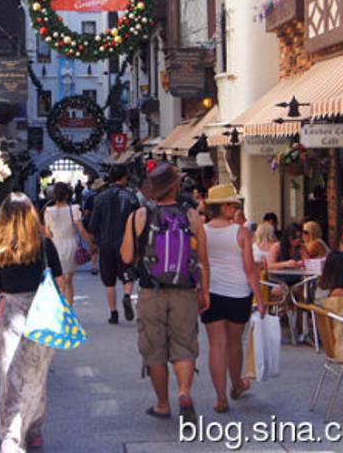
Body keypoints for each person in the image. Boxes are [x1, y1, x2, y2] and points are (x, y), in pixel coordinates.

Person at [120, 163, 210, 422]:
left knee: (154, 349)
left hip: (151, 292)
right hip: (185, 291)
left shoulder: (139, 215)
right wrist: (205, 291)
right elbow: (203, 259)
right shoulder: (191, 215)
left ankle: (162, 404)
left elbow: (126, 256)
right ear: (176, 186)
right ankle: (184, 393)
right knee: (184, 345)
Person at [0, 192, 63, 451]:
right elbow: (59, 281)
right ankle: (32, 429)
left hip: (11, 317)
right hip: (41, 317)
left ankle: (11, 437)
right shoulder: (44, 245)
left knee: (10, 380)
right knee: (36, 379)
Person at [201, 185, 265, 413]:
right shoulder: (241, 232)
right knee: (235, 343)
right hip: (238, 293)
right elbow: (249, 269)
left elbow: (201, 263)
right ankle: (236, 385)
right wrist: (260, 298)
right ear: (224, 207)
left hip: (211, 291)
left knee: (216, 345)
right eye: (233, 205)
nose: (236, 208)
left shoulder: (202, 231)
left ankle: (220, 398)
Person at [89, 164, 139, 324]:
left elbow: (93, 224)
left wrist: (94, 241)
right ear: (124, 177)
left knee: (109, 281)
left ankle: (113, 313)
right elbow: (138, 220)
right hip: (126, 242)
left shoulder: (100, 197)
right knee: (128, 273)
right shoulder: (131, 196)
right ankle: (127, 295)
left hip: (105, 243)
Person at [43, 182, 93, 306]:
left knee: (59, 280)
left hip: (55, 246)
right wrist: (91, 244)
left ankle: (59, 307)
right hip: (71, 245)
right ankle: (68, 308)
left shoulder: (48, 211)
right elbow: (81, 230)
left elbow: (48, 233)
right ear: (67, 194)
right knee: (68, 281)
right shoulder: (73, 209)